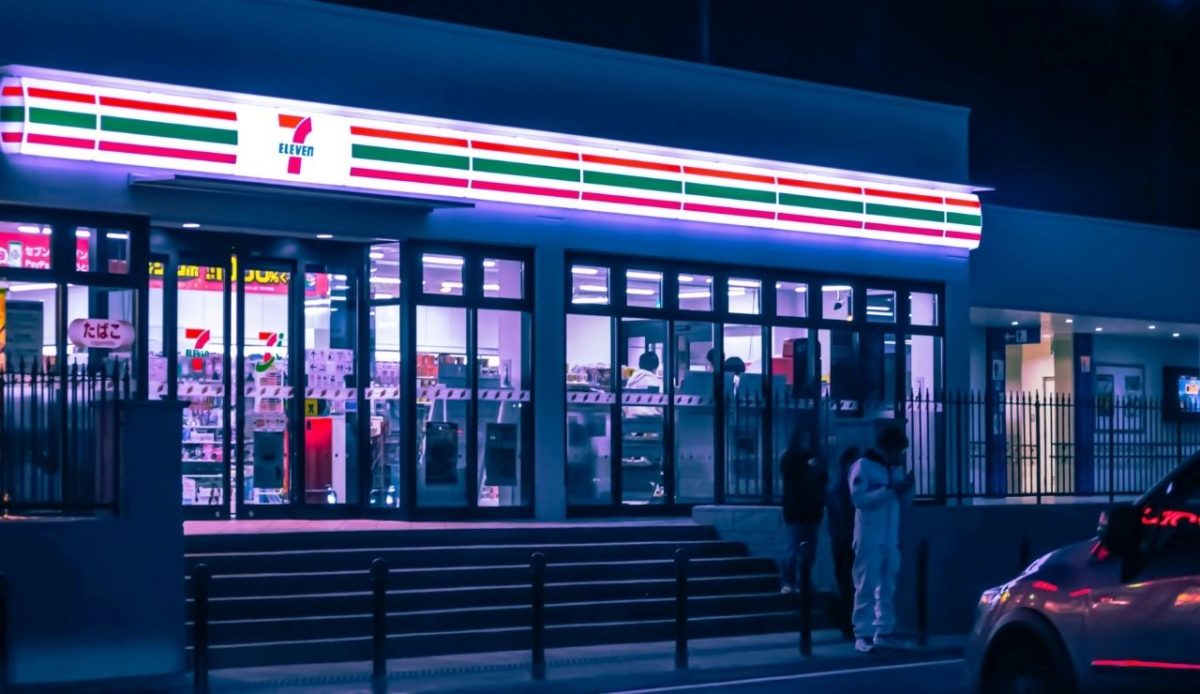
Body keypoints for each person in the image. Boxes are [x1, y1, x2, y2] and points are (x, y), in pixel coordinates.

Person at [849, 425, 914, 653]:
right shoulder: (863, 467)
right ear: (887, 448)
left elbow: (902, 503)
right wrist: (889, 490)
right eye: (897, 450)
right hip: (869, 536)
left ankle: (884, 631)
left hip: (889, 535)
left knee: (888, 585)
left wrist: (906, 489)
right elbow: (859, 499)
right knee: (866, 584)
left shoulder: (894, 469)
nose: (899, 455)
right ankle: (863, 634)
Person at [779, 426, 828, 594]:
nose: (805, 443)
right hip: (795, 512)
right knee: (792, 550)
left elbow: (823, 480)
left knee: (810, 551)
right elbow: (793, 478)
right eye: (802, 439)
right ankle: (788, 581)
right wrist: (810, 468)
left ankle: (804, 581)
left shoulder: (814, 458)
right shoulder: (789, 459)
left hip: (812, 512)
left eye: (807, 439)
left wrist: (817, 470)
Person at [826, 445, 861, 639]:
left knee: (848, 582)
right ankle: (844, 621)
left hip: (842, 539)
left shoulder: (840, 484)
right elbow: (844, 517)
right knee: (849, 582)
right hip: (845, 540)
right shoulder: (842, 486)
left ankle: (844, 619)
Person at [623, 351, 663, 418]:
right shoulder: (658, 382)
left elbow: (624, 405)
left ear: (640, 365)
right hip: (653, 421)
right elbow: (661, 406)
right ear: (656, 366)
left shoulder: (631, 380)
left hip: (631, 420)